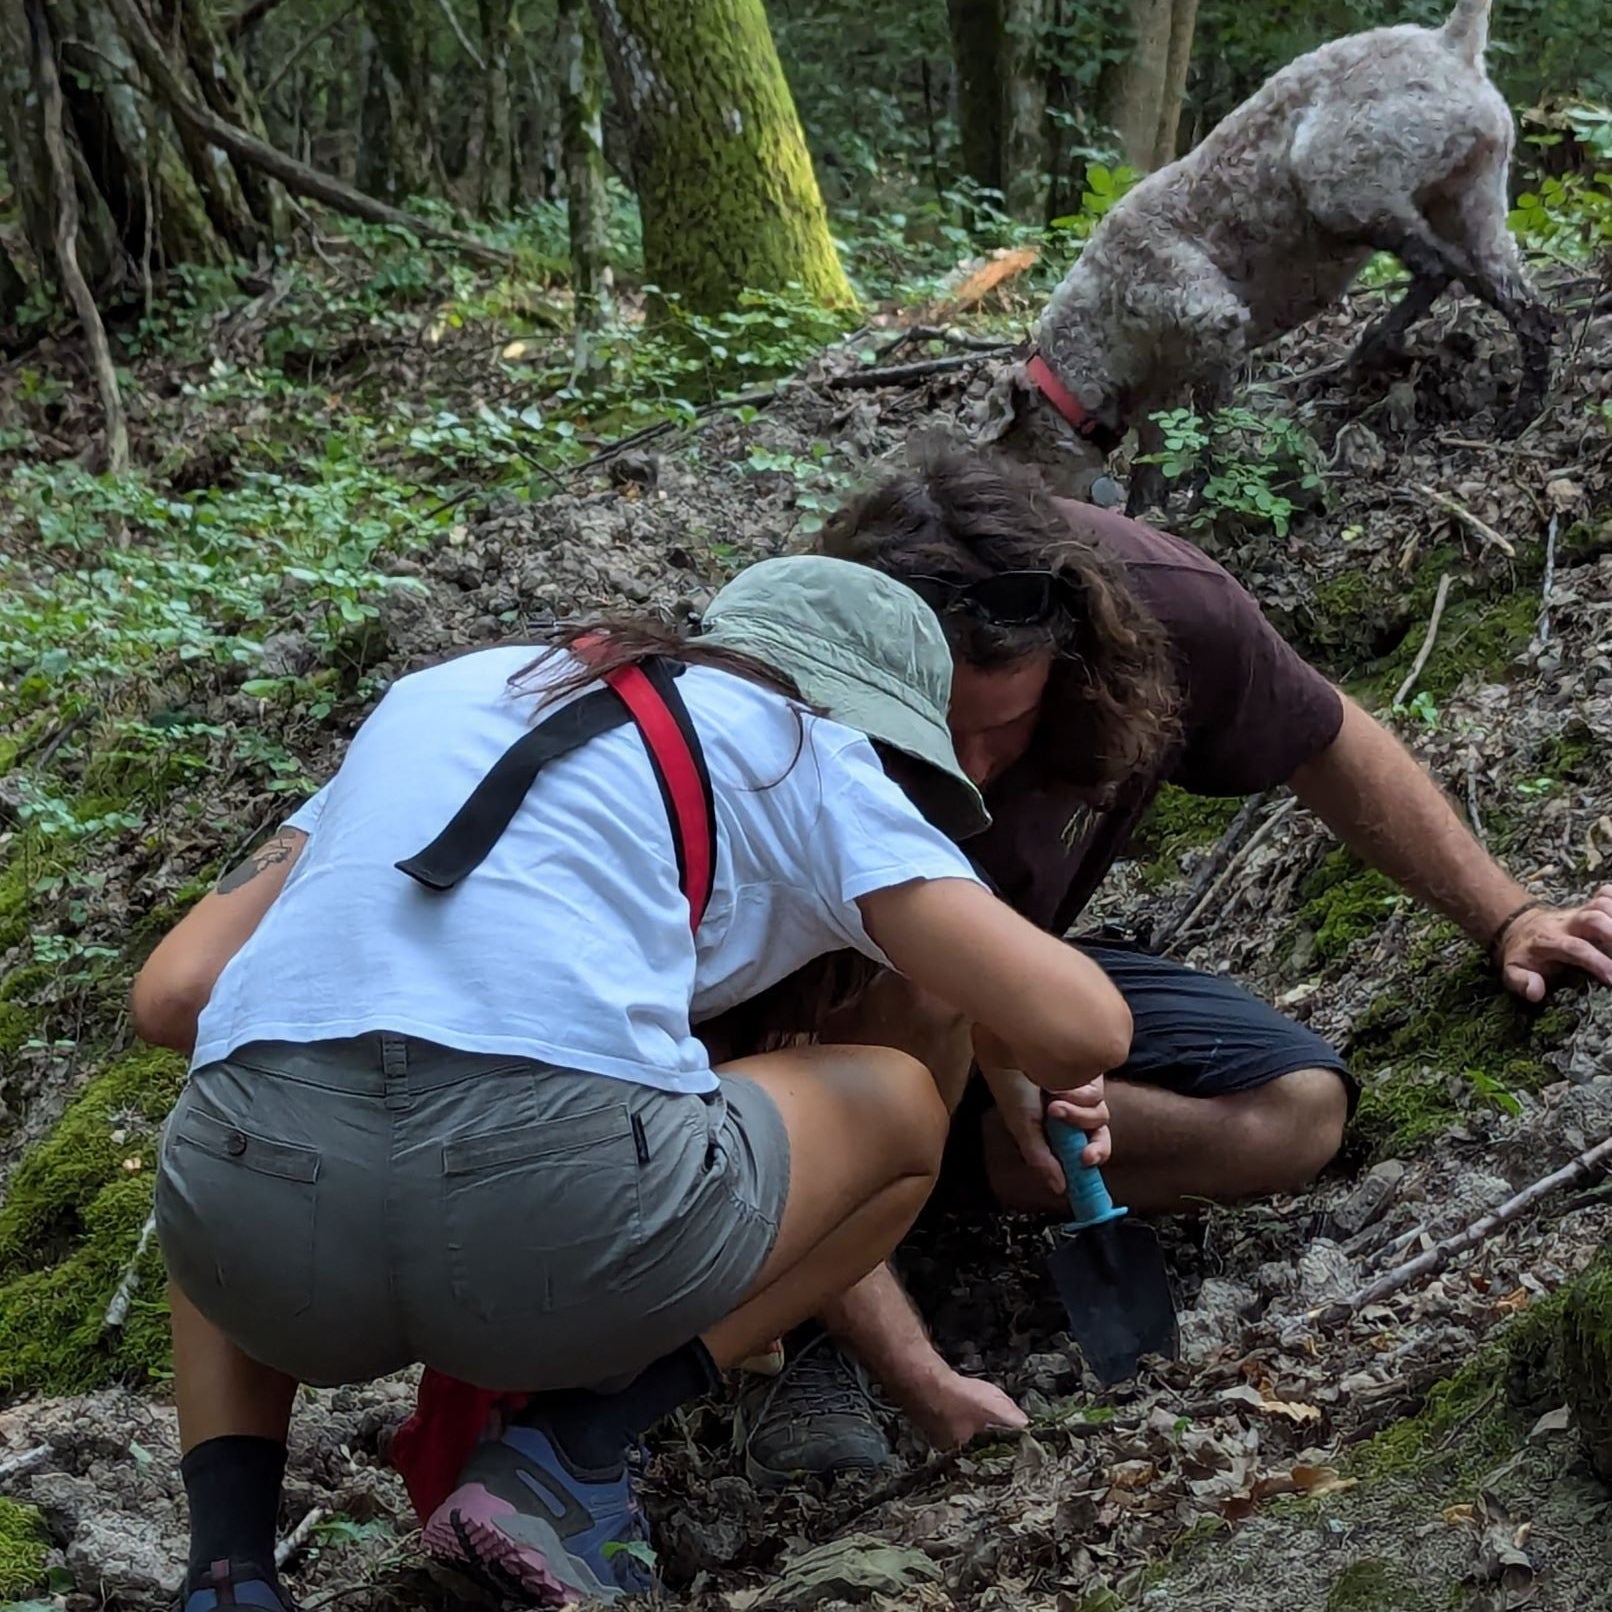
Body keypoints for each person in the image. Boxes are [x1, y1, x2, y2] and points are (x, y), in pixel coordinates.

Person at [134, 555, 1135, 1612]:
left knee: (242, 1083)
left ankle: (230, 1566)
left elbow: (175, 994)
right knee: (896, 1106)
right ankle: (566, 1460)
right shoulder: (805, 746)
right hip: (560, 1227)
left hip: (265, 1252)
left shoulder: (445, 700)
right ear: (851, 712)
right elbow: (1083, 1023)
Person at [720, 440, 1612, 1483]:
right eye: (932, 735)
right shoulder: (792, 689)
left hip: (1007, 979)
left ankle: (957, 1182)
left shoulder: (1161, 608)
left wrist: (1506, 917)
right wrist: (914, 1371)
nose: (966, 771)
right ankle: (801, 1326)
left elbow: (1324, 737)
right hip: (806, 1030)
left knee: (1295, 1112)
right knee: (914, 990)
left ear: (1073, 661)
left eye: (998, 727)